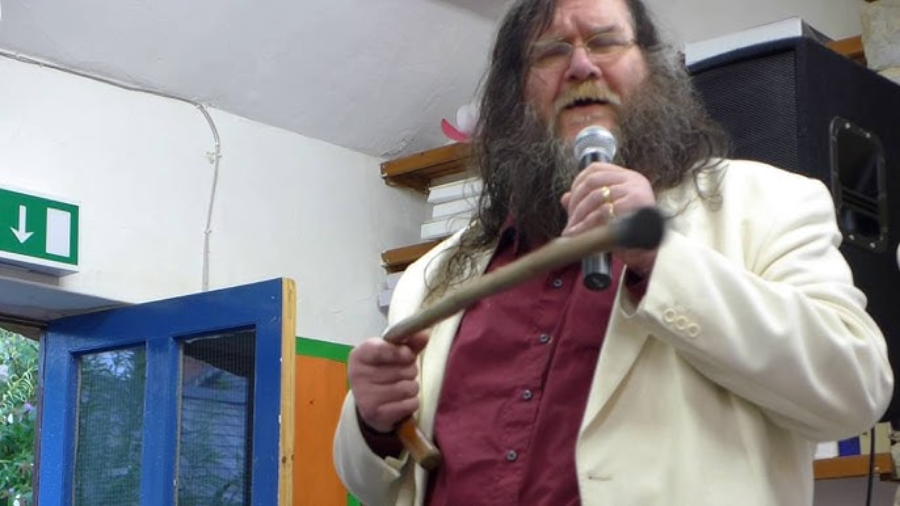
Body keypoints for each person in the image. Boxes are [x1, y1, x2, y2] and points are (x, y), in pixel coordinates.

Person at [333, 0, 894, 504]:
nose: (581, 66)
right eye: (551, 52)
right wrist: (371, 420)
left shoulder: (765, 204)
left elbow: (854, 389)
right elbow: (373, 483)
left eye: (604, 42)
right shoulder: (435, 274)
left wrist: (660, 262)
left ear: (654, 70)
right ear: (516, 94)